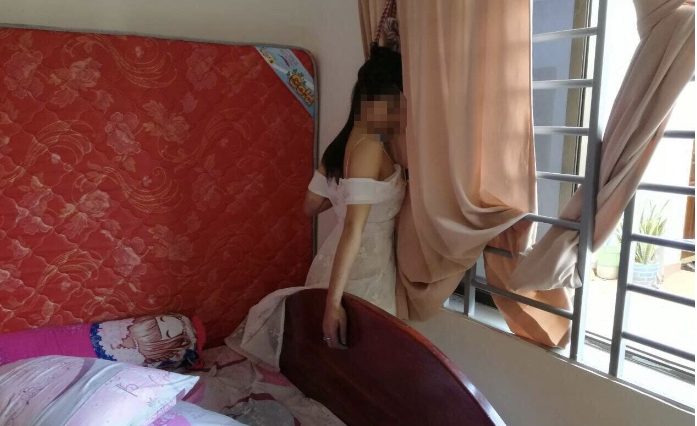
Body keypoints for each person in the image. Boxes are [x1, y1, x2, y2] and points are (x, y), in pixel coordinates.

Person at [226, 45, 406, 366]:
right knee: (364, 363)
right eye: (397, 105)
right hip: (363, 269)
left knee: (340, 365)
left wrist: (342, 198)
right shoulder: (370, 148)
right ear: (378, 100)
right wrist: (332, 305)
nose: (400, 115)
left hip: (333, 260)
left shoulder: (340, 145)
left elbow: (310, 206)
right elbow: (353, 228)